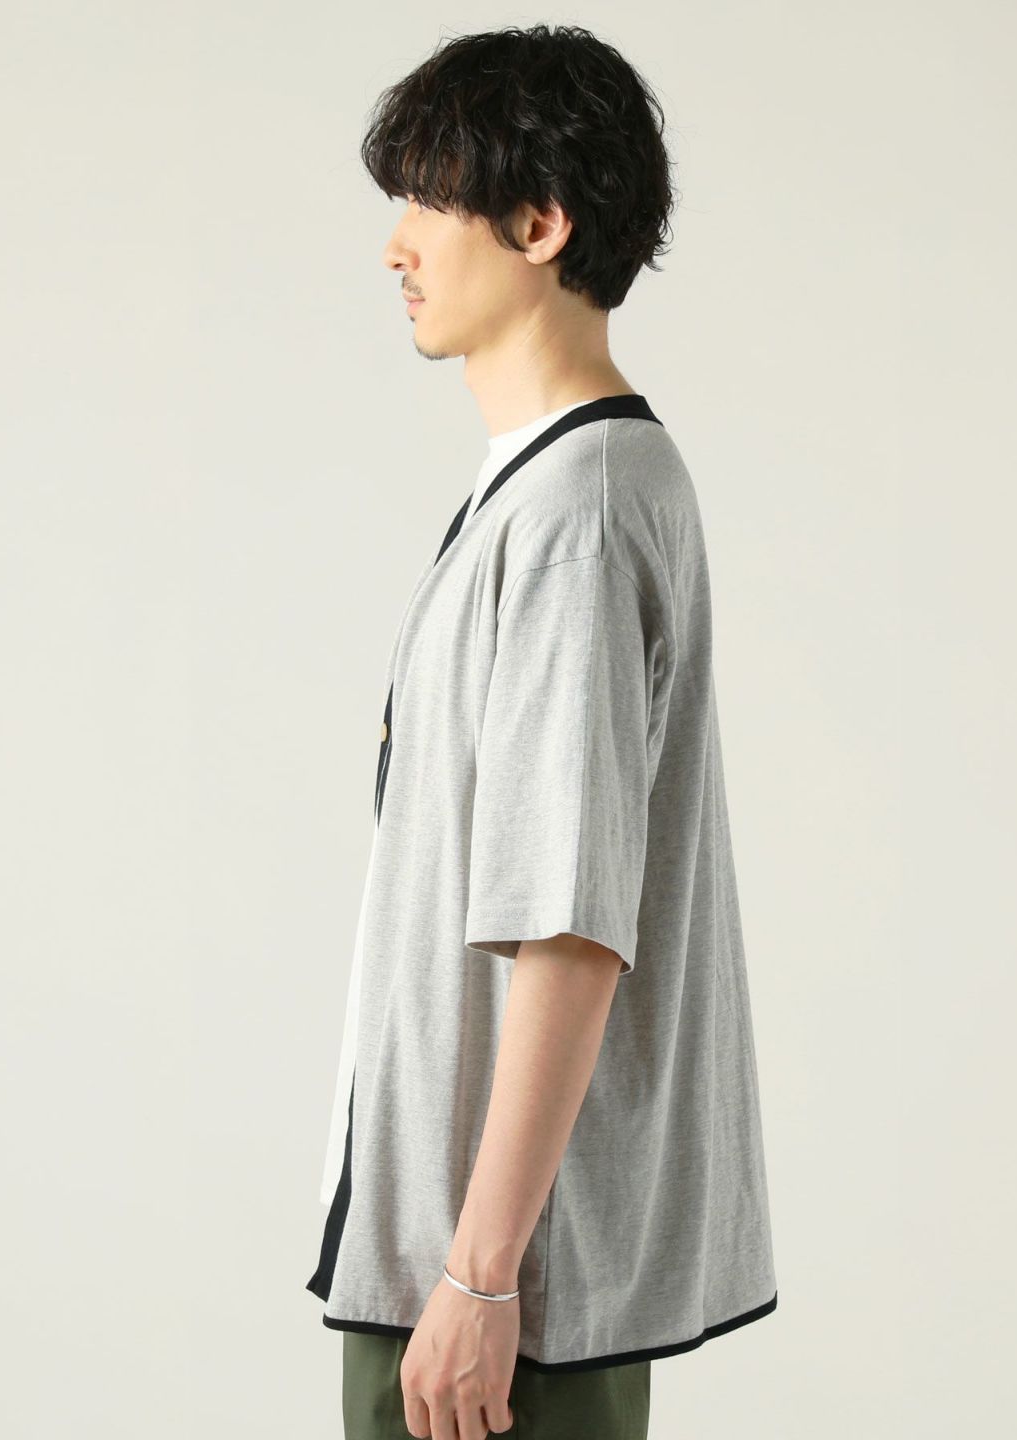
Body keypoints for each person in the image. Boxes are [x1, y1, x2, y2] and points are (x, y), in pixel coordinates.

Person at [306, 23, 778, 1439]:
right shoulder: (560, 487)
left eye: (427, 199)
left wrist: (478, 1273)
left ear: (538, 224)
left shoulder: (577, 514)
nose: (395, 244)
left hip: (499, 1296)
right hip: (476, 1262)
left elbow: (569, 923)